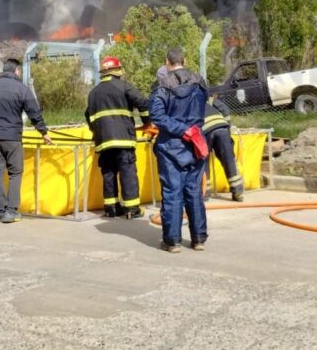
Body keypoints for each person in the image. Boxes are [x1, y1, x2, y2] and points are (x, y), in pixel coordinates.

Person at [0, 58, 52, 223]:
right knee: (15, 173)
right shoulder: (22, 89)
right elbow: (34, 112)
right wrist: (43, 132)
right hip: (12, 138)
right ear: (17, 71)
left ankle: (0, 211)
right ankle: (11, 211)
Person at [149, 48, 209, 253]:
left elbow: (157, 117)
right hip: (196, 143)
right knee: (194, 191)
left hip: (171, 146)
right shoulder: (199, 82)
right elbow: (202, 106)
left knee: (172, 192)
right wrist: (190, 130)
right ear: (185, 60)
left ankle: (173, 241)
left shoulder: (161, 86)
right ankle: (198, 239)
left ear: (167, 62)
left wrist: (181, 130)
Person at [85, 56, 150, 219]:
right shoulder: (123, 86)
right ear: (117, 70)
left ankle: (111, 208)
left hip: (103, 141)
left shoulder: (93, 93)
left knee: (108, 173)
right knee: (127, 172)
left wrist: (97, 131)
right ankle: (131, 209)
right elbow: (143, 103)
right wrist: (147, 123)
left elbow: (89, 116)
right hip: (123, 139)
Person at [203, 95, 244, 202]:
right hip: (221, 127)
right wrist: (227, 126)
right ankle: (238, 191)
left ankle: (205, 193)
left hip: (204, 130)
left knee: (203, 162)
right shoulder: (206, 98)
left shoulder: (185, 102)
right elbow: (223, 108)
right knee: (229, 160)